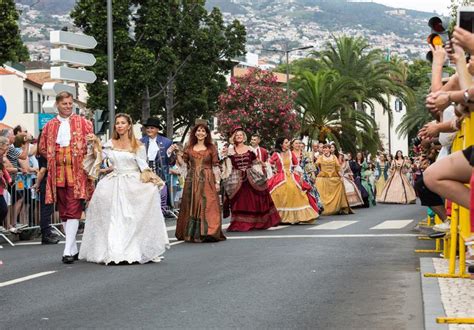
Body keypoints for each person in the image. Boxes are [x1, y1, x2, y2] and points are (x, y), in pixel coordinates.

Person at [79, 113, 169, 264]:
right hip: (113, 182)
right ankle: (114, 250)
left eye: (122, 123)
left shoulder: (138, 145)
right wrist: (95, 143)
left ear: (129, 126)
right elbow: (99, 157)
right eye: (117, 123)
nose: (119, 125)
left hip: (132, 182)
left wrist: (152, 180)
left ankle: (133, 249)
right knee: (113, 217)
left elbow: (143, 166)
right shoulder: (110, 143)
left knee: (130, 217)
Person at [39, 91, 95, 264]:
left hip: (76, 173)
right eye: (65, 104)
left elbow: (92, 146)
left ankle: (66, 249)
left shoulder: (84, 123)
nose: (68, 106)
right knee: (63, 210)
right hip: (57, 174)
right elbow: (41, 147)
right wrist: (54, 156)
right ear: (58, 105)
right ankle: (73, 247)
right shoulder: (49, 126)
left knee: (73, 208)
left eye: (71, 103)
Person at [175, 122, 226, 242]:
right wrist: (178, 154)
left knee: (209, 204)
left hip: (207, 179)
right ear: (194, 133)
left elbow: (215, 166)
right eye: (198, 130)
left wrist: (217, 182)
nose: (200, 133)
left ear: (207, 134)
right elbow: (184, 165)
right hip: (192, 179)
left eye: (203, 131)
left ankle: (209, 232)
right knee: (192, 203)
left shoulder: (211, 147)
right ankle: (193, 233)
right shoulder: (189, 148)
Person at [223, 128, 281, 231]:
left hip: (251, 176)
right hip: (237, 178)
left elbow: (255, 163)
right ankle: (239, 223)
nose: (239, 137)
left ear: (244, 137)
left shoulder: (250, 149)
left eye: (241, 135)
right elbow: (228, 166)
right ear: (234, 138)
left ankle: (256, 222)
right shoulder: (230, 151)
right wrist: (227, 178)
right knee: (239, 201)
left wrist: (259, 175)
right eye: (237, 135)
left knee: (254, 199)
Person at [268, 137, 319, 223]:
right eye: (286, 142)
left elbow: (296, 165)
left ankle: (296, 217)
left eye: (288, 142)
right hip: (280, 177)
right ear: (281, 144)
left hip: (291, 176)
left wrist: (301, 175)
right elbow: (269, 164)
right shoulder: (276, 154)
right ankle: (280, 217)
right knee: (279, 194)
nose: (288, 144)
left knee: (295, 192)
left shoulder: (291, 153)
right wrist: (273, 171)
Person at [141, 117, 176, 218]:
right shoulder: (141, 141)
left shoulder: (166, 142)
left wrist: (170, 154)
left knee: (162, 197)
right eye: (148, 128)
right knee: (147, 198)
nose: (149, 130)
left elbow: (171, 163)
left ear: (157, 129)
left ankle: (160, 216)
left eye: (152, 128)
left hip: (161, 175)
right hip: (146, 174)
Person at [32, 131, 60, 244]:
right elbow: (43, 170)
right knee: (46, 209)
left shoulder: (41, 149)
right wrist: (37, 184)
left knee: (47, 209)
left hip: (46, 182)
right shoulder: (45, 151)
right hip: (46, 182)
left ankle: (47, 232)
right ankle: (46, 234)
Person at [316, 144, 352, 215]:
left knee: (340, 184)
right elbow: (316, 166)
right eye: (324, 148)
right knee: (319, 186)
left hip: (333, 177)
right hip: (324, 177)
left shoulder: (334, 157)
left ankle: (337, 207)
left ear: (329, 149)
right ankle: (322, 208)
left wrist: (341, 176)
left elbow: (338, 168)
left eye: (326, 148)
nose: (325, 150)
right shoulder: (320, 157)